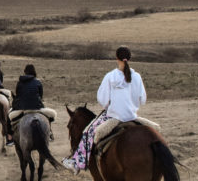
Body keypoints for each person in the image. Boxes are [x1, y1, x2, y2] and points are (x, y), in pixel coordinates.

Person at [62, 45, 147, 173]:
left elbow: (102, 100)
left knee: (88, 132)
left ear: (116, 58)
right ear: (129, 58)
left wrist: (110, 106)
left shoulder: (110, 76)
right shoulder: (137, 77)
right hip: (132, 116)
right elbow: (143, 100)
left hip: (113, 117)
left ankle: (77, 162)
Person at [9, 64, 56, 140]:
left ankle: (9, 137)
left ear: (25, 72)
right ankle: (49, 132)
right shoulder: (38, 82)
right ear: (34, 72)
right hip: (37, 106)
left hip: (23, 108)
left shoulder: (20, 82)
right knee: (48, 116)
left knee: (9, 117)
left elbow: (18, 95)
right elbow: (41, 96)